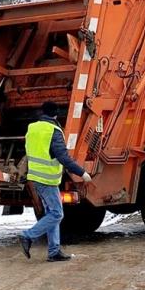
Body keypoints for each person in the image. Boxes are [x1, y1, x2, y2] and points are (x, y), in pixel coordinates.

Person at [18, 101, 92, 262]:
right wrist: (82, 173)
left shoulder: (32, 128)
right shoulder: (54, 130)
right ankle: (27, 235)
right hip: (47, 178)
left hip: (36, 176)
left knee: (52, 212)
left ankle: (54, 251)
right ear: (56, 115)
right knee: (57, 213)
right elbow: (63, 157)